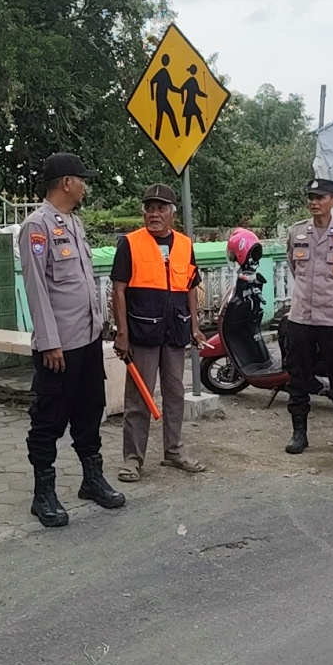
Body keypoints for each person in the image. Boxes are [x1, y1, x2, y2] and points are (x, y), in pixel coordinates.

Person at [19, 153, 126, 528]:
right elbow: (37, 290)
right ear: (66, 182)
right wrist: (49, 342)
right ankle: (43, 494)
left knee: (89, 411)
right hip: (58, 347)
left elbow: (81, 282)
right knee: (49, 420)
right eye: (81, 179)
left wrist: (102, 326)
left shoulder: (74, 223)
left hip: (87, 341)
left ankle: (91, 479)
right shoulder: (36, 226)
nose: (84, 185)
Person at [111, 183, 207, 482]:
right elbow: (118, 289)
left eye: (161, 208)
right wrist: (122, 333)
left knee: (175, 392)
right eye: (149, 208)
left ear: (172, 214)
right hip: (142, 331)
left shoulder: (184, 244)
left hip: (175, 331)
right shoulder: (130, 243)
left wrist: (194, 326)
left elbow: (190, 286)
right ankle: (132, 459)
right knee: (138, 398)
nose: (154, 214)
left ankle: (174, 451)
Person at [284, 178, 333, 455]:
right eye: (311, 197)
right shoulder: (296, 233)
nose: (314, 202)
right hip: (302, 317)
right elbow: (295, 268)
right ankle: (299, 433)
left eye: (321, 197)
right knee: (297, 376)